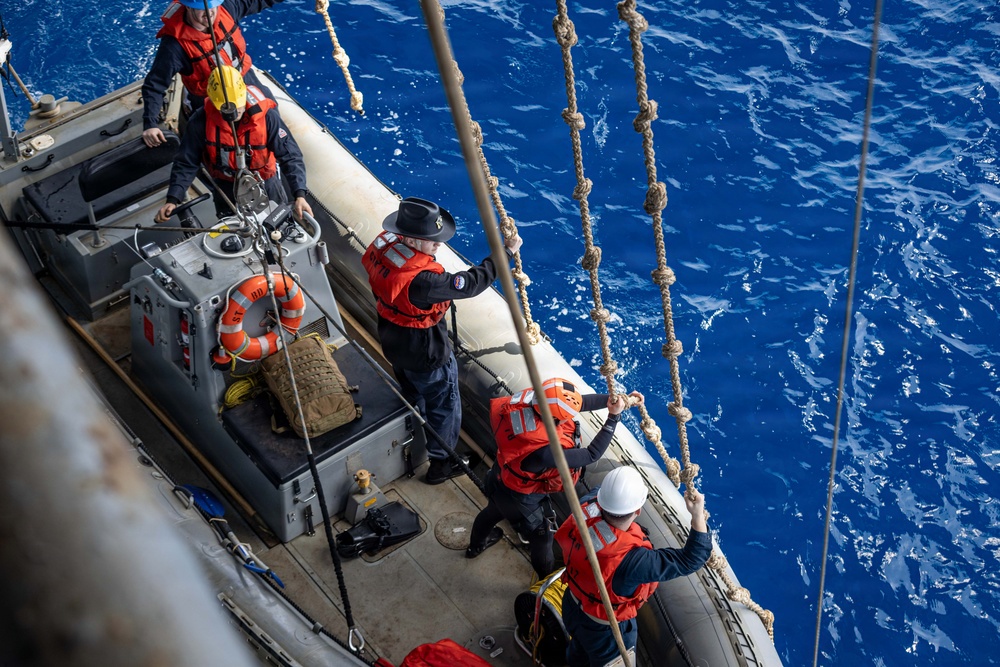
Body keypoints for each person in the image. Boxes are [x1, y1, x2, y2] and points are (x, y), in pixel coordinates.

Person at [361, 197, 522, 484]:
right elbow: (471, 283)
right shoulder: (425, 281)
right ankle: (442, 463)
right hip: (426, 352)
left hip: (393, 340)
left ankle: (409, 426)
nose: (438, 244)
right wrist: (505, 254)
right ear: (411, 238)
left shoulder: (384, 244)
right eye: (431, 239)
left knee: (412, 390)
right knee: (445, 405)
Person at [466, 378, 644, 578]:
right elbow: (591, 454)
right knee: (543, 539)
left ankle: (475, 547)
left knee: (491, 512)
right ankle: (546, 578)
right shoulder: (544, 452)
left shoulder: (533, 402)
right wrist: (613, 418)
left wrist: (616, 400)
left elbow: (578, 402)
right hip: (521, 498)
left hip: (502, 474)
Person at [554, 466, 712, 667]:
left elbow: (601, 493)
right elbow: (691, 559)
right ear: (638, 510)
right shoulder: (633, 561)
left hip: (572, 605)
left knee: (578, 651)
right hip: (604, 631)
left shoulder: (585, 505)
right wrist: (697, 515)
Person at [154, 66, 312, 223]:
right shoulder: (201, 120)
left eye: (237, 106)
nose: (233, 113)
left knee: (281, 226)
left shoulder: (267, 118)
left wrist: (299, 194)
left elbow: (290, 156)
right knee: (232, 233)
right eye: (226, 109)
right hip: (226, 187)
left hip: (265, 184)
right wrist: (173, 198)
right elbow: (186, 161)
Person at [142, 0, 286, 149]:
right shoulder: (174, 46)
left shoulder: (227, 9)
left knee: (269, 110)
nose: (210, 11)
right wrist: (150, 124)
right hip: (208, 97)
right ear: (188, 8)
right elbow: (155, 84)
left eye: (213, 5)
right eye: (201, 8)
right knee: (214, 140)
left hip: (243, 80)